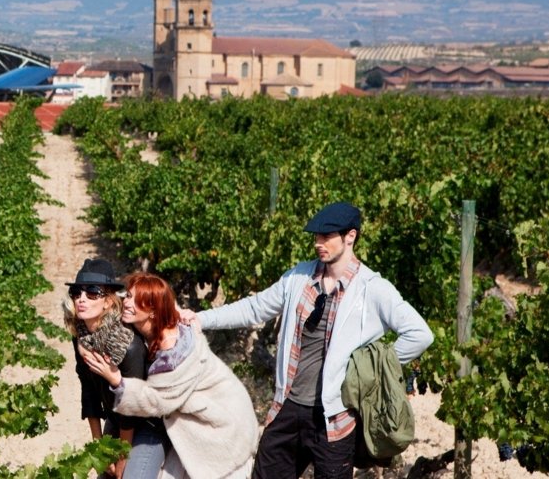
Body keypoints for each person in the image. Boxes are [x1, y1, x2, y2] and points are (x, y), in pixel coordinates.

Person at [181, 202, 435, 479]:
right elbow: (255, 308)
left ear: (350, 236)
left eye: (326, 236)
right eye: (316, 236)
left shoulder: (372, 288)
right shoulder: (298, 278)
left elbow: (419, 334)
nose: (318, 243)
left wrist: (373, 370)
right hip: (287, 407)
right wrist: (201, 319)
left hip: (335, 417)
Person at [83, 272, 258, 479]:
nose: (127, 303)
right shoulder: (141, 329)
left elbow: (155, 401)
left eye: (137, 300)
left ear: (153, 311)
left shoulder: (173, 352)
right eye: (128, 296)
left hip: (214, 422)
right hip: (163, 419)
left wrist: (115, 379)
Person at [64, 259, 162, 479]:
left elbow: (130, 406)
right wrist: (98, 446)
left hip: (147, 425)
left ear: (108, 302)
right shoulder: (81, 336)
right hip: (117, 420)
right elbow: (89, 391)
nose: (81, 298)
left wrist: (122, 457)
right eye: (77, 292)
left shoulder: (128, 344)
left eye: (92, 292)